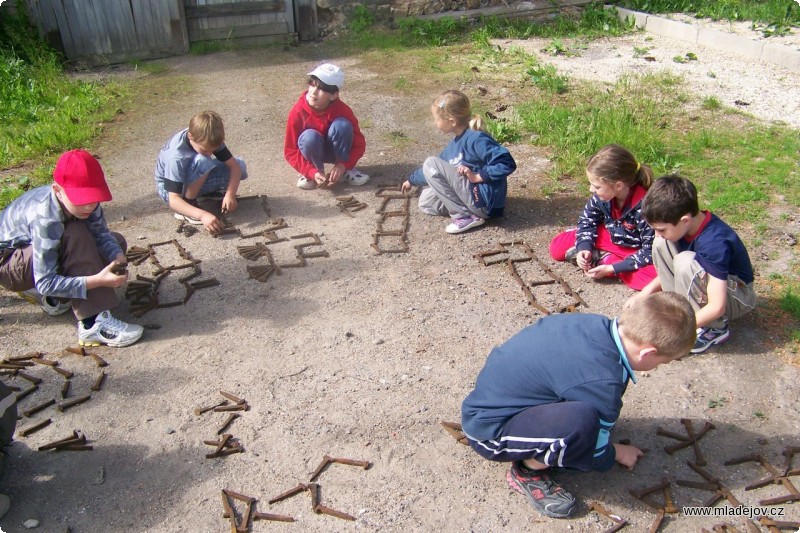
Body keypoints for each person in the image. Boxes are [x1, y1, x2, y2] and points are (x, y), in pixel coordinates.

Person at [461, 292, 696, 518]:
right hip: (490, 433)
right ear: (648, 353)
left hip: (489, 401)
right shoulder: (604, 381)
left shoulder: (593, 325)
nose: (661, 366)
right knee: (581, 423)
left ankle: (540, 441)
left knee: (587, 418)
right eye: (664, 362)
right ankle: (528, 471)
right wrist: (615, 453)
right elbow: (596, 452)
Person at [0, 149, 144, 347]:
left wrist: (117, 256)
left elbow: (102, 235)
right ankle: (92, 324)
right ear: (58, 190)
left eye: (94, 198)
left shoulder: (87, 204)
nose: (89, 206)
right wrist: (97, 280)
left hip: (34, 255)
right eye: (82, 199)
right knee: (76, 234)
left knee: (115, 242)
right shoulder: (45, 217)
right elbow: (45, 281)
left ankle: (56, 299)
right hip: (10, 265)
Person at [625, 175, 756, 354]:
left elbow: (717, 306)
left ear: (685, 220)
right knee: (661, 244)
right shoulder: (681, 228)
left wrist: (676, 332)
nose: (657, 233)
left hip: (738, 296)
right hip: (711, 285)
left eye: (661, 229)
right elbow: (666, 255)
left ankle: (714, 328)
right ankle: (678, 308)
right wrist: (645, 293)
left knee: (685, 261)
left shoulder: (713, 242)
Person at [401, 90, 516, 234]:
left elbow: (506, 162)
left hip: (484, 201)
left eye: (436, 119)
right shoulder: (454, 145)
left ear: (452, 121)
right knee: (426, 202)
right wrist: (411, 180)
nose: (435, 123)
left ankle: (464, 216)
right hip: (473, 198)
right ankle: (467, 210)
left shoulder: (476, 138)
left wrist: (479, 176)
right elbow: (435, 169)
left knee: (431, 163)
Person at [549, 144, 657, 290]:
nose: (591, 189)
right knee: (557, 248)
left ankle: (607, 260)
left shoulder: (646, 208)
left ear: (618, 186)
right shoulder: (601, 197)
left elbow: (649, 251)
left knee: (650, 280)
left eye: (596, 186)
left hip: (633, 248)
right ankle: (597, 254)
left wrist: (613, 268)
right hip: (608, 235)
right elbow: (587, 220)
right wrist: (584, 246)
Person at [155, 110, 248, 234]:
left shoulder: (208, 135)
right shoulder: (176, 157)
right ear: (190, 137)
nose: (210, 154)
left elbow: (234, 167)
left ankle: (203, 194)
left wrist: (230, 194)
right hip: (170, 190)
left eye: (213, 150)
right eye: (205, 150)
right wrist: (203, 215)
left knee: (240, 166)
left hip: (193, 174)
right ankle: (187, 207)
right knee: (203, 161)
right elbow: (173, 200)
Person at [284, 63, 369, 190]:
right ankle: (314, 174)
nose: (313, 92)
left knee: (342, 125)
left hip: (337, 152)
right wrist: (312, 171)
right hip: (313, 150)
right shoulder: (297, 111)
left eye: (322, 89)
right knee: (309, 137)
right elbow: (290, 150)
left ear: (333, 95)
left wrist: (344, 164)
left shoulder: (343, 110)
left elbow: (359, 144)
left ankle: (346, 171)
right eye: (312, 84)